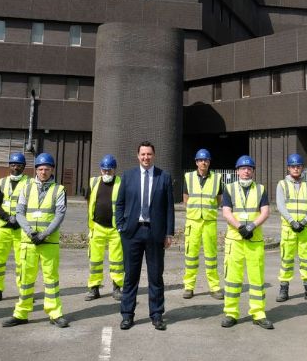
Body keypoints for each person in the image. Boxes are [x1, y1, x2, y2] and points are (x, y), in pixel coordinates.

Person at [2, 153, 70, 328]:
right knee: (25, 279)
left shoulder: (59, 190)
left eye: (47, 169)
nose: (43, 172)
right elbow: (19, 212)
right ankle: (21, 313)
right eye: (40, 169)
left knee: (51, 280)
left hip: (49, 242)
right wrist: (31, 232)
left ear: (52, 170)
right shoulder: (26, 188)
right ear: (36, 170)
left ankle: (55, 313)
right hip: (28, 242)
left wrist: (44, 234)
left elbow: (59, 215)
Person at [115, 141, 175, 331]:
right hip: (131, 233)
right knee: (130, 276)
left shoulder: (163, 177)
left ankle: (157, 315)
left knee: (155, 276)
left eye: (149, 154)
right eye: (143, 154)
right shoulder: (128, 176)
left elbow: (169, 208)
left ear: (154, 155)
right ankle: (127, 315)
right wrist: (120, 226)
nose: (146, 158)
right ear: (137, 155)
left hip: (155, 233)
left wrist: (168, 233)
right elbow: (120, 204)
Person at [220, 155, 274, 330]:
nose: (246, 171)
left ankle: (258, 314)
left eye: (249, 168)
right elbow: (226, 212)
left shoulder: (260, 189)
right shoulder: (229, 188)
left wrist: (250, 226)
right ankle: (230, 313)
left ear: (253, 171)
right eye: (243, 168)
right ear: (237, 171)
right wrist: (240, 228)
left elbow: (265, 212)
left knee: (257, 279)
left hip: (254, 240)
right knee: (232, 279)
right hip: (234, 241)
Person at [275, 154, 307, 304]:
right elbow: (280, 205)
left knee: (306, 260)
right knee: (286, 260)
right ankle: (284, 289)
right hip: (289, 229)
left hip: (304, 229)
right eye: (293, 166)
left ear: (302, 168)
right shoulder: (282, 184)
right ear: (288, 168)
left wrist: (303, 222)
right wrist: (291, 221)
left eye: (298, 166)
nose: (296, 168)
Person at [0, 152, 28, 304]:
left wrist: (20, 220)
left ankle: (24, 291)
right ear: (9, 166)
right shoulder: (1, 182)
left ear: (24, 167)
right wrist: (7, 217)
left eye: (19, 165)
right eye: (13, 165)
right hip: (2, 228)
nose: (16, 168)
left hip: (21, 229)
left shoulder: (30, 183)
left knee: (23, 262)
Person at [181, 148, 224, 300]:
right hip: (193, 222)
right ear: (196, 162)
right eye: (200, 160)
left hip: (209, 222)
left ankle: (214, 287)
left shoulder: (217, 178)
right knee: (190, 255)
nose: (203, 162)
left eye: (205, 160)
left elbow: (219, 199)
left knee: (211, 256)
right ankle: (189, 286)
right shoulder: (188, 177)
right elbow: (185, 198)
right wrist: (193, 211)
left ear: (209, 162)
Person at [84, 154, 124, 302]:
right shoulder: (93, 182)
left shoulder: (121, 182)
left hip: (115, 228)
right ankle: (94, 288)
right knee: (95, 260)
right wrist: (91, 223)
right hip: (97, 227)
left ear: (115, 170)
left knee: (117, 260)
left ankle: (117, 288)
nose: (107, 173)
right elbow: (88, 202)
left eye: (110, 170)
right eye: (104, 170)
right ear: (101, 170)